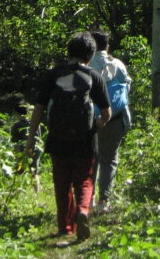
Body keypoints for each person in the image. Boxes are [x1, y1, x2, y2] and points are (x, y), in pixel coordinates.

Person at [27, 31, 110, 243]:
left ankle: (65, 226)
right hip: (85, 141)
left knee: (61, 183)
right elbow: (107, 112)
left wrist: (31, 138)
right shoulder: (94, 76)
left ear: (69, 52)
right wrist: (96, 125)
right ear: (90, 56)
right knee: (84, 180)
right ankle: (83, 210)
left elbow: (38, 108)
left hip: (57, 139)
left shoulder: (54, 74)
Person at [89, 29, 131, 212]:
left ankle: (87, 200)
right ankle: (103, 202)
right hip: (114, 120)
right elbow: (126, 90)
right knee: (109, 161)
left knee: (91, 160)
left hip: (89, 120)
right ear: (107, 46)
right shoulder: (118, 65)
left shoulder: (85, 66)